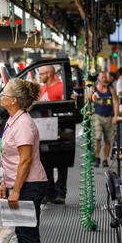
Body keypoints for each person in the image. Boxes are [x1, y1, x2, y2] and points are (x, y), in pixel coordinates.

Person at [0, 78, 48, 243]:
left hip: (29, 184)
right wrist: (4, 183)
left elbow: (25, 160)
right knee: (21, 232)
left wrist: (16, 190)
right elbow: (10, 158)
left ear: (14, 101)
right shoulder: (13, 121)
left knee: (28, 233)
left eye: (4, 94)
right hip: (19, 183)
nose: (1, 96)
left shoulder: (24, 124)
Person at [37, 65, 67, 205]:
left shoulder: (61, 88)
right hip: (44, 131)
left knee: (61, 162)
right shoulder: (42, 89)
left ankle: (60, 193)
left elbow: (66, 108)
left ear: (49, 74)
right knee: (46, 163)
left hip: (59, 130)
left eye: (41, 73)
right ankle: (49, 193)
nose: (39, 76)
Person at [90, 71, 119, 168]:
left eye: (105, 77)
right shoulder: (94, 90)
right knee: (97, 138)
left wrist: (115, 116)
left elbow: (115, 102)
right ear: (98, 79)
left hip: (109, 117)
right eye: (102, 77)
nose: (104, 79)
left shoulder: (111, 90)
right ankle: (97, 157)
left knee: (108, 140)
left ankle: (105, 159)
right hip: (97, 116)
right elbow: (88, 100)